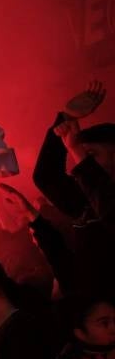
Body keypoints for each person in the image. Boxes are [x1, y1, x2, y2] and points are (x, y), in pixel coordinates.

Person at [32, 82, 115, 298]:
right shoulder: (84, 197)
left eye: (92, 154)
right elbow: (46, 176)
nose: (81, 160)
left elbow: (109, 210)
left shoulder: (102, 195)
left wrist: (77, 152)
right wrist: (65, 118)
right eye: (83, 154)